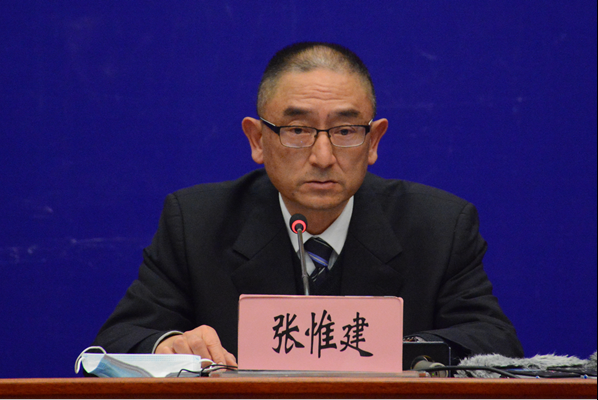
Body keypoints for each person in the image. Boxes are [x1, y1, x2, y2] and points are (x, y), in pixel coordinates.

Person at [92, 42, 524, 367]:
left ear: (374, 141)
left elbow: (496, 343)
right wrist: (167, 345)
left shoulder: (438, 226)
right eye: (297, 130)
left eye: (345, 131)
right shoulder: (196, 223)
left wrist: (393, 349)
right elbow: (115, 342)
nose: (322, 156)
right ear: (257, 140)